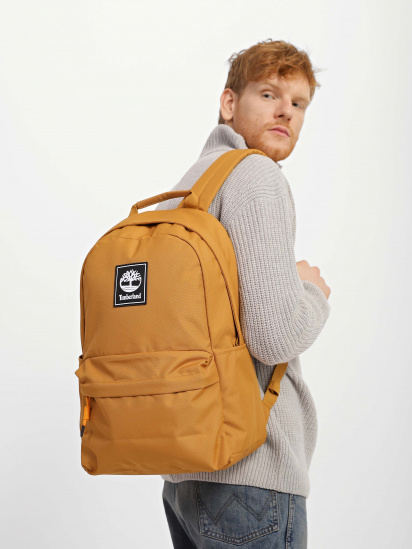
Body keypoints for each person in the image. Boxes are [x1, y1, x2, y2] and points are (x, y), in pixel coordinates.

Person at [155, 38, 331, 549]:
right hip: (251, 474)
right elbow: (274, 336)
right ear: (229, 103)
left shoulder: (189, 187)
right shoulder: (254, 174)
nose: (286, 112)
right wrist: (312, 290)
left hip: (185, 475)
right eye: (269, 94)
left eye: (298, 103)